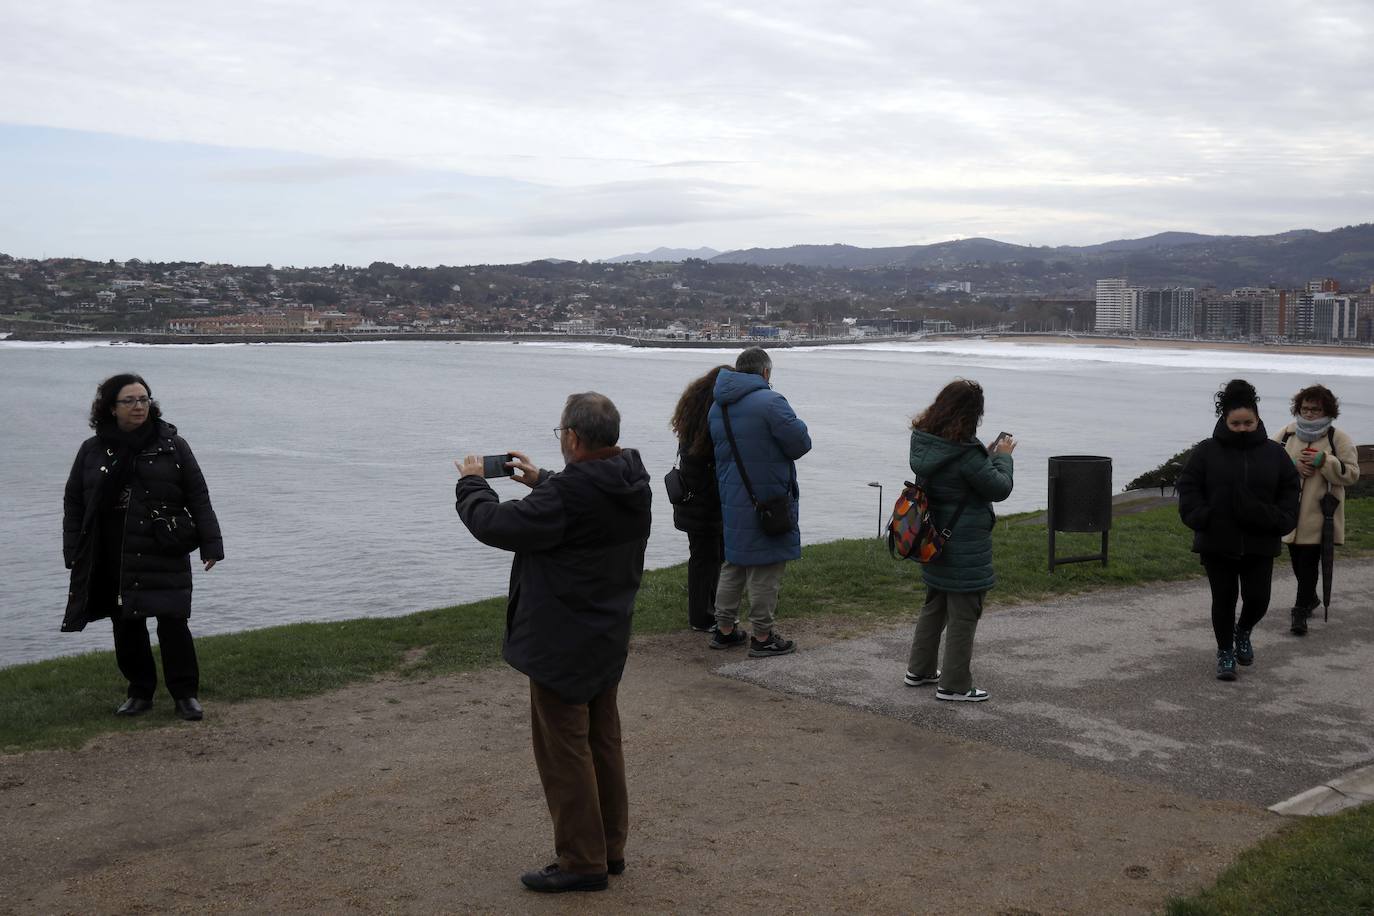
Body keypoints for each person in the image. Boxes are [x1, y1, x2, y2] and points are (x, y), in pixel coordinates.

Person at [453, 392, 651, 894]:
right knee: (602, 743)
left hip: (562, 641)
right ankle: (609, 848)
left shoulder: (567, 498)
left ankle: (582, 862)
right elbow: (586, 501)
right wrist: (543, 480)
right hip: (606, 634)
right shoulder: (632, 480)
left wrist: (472, 483)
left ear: (573, 437)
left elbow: (494, 524)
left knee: (565, 752)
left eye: (561, 431)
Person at [62, 373, 224, 721]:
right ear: (111, 407)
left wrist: (211, 544)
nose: (139, 407)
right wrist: (73, 549)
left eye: (144, 399)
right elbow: (75, 501)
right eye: (130, 401)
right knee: (126, 622)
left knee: (173, 621)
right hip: (113, 547)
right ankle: (140, 692)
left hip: (162, 544)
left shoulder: (173, 445)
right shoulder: (92, 450)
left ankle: (185, 695)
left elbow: (198, 494)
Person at [1177, 379, 1300, 680]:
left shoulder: (1275, 453)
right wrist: (1202, 516)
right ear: (1225, 420)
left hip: (1261, 540)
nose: (1243, 427)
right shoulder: (1206, 451)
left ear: (1258, 419)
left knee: (1258, 599)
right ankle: (1225, 653)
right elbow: (1189, 487)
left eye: (1249, 422)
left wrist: (1279, 518)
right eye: (1236, 423)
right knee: (1224, 599)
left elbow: (1290, 489)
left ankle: (1243, 630)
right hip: (1217, 540)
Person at [903, 379, 1014, 703]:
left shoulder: (926, 443)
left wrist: (987, 458)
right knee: (965, 612)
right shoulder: (965, 453)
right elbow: (999, 488)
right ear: (971, 414)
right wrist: (1003, 457)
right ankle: (954, 685)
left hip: (934, 537)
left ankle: (920, 669)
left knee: (935, 603)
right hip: (964, 541)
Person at [706, 347, 812, 657]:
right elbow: (800, 444)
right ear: (765, 373)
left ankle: (724, 629)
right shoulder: (771, 402)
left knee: (735, 562)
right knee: (767, 565)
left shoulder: (718, 406)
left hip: (733, 497)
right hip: (767, 499)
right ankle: (763, 636)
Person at [1273, 383, 1361, 635]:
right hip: (1289, 513)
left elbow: (1352, 474)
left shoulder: (1338, 437)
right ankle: (1310, 598)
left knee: (1309, 562)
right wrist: (1292, 466)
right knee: (1298, 562)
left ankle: (1299, 611)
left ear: (1327, 410)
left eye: (1315, 409)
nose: (1309, 413)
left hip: (1320, 515)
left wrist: (1325, 461)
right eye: (1305, 408)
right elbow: (1268, 462)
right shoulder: (1287, 434)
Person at [669, 365, 729, 631]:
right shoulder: (712, 422)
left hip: (691, 497)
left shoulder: (691, 415)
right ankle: (703, 616)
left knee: (704, 556)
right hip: (706, 500)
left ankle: (707, 612)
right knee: (708, 557)